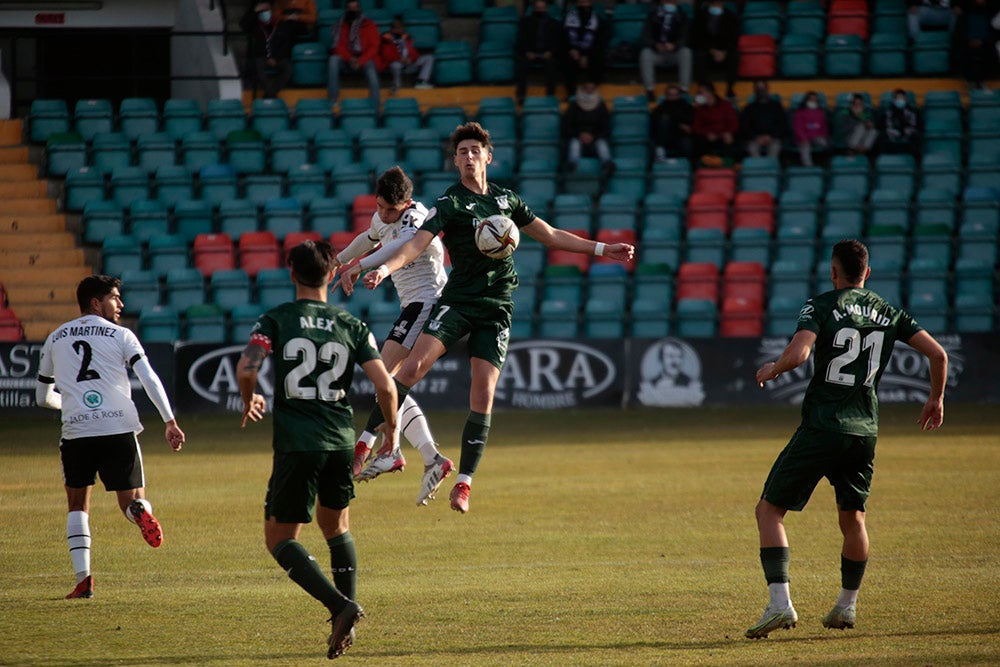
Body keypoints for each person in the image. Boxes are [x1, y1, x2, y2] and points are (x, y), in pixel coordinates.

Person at [342, 122, 635, 514]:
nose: (467, 157)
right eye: (461, 152)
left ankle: (463, 483)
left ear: (487, 157)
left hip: (497, 306)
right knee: (410, 368)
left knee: (483, 392)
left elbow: (548, 234)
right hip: (459, 300)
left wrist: (602, 249)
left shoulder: (506, 200)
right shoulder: (449, 203)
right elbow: (413, 244)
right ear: (456, 160)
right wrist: (380, 268)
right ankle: (365, 446)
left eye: (473, 151)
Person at [745, 239, 948, 639]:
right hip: (864, 431)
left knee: (769, 510)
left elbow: (800, 355)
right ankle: (846, 606)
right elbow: (938, 354)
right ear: (867, 274)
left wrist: (773, 368)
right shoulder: (888, 312)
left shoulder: (821, 305)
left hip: (823, 425)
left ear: (833, 272)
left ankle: (780, 604)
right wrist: (936, 398)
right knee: (853, 518)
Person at [236, 240, 397, 660]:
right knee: (337, 526)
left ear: (292, 274)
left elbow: (247, 365)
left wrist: (248, 396)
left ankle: (340, 607)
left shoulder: (277, 318)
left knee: (279, 538)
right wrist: (392, 436)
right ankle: (344, 624)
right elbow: (385, 386)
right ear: (331, 274)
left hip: (298, 443)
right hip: (342, 440)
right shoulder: (352, 324)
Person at [35, 275, 186, 600]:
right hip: (118, 428)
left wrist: (72, 403)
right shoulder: (121, 335)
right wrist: (169, 421)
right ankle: (140, 512)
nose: (121, 305)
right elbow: (148, 376)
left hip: (77, 431)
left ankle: (83, 581)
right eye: (115, 298)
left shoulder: (55, 338)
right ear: (95, 302)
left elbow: (42, 397)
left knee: (77, 505)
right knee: (130, 500)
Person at [334, 167, 454, 505]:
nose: (384, 216)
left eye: (391, 210)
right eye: (380, 207)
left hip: (428, 303)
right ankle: (430, 458)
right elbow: (370, 236)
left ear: (408, 203)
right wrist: (340, 260)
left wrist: (365, 268)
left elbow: (402, 244)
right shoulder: (382, 217)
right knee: (389, 383)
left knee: (383, 378)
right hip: (412, 306)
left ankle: (376, 447)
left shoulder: (417, 217)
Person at [327, 0, 381, 111]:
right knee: (333, 60)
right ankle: (333, 101)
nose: (352, 10)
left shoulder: (369, 24)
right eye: (350, 8)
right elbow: (337, 46)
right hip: (347, 59)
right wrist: (350, 58)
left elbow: (374, 47)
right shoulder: (340, 25)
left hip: (364, 58)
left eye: (355, 7)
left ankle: (375, 106)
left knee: (371, 69)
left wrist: (360, 60)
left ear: (359, 9)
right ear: (346, 9)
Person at [639, 0, 693, 102]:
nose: (669, 3)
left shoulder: (683, 17)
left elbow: (685, 37)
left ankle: (684, 89)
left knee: (686, 52)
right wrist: (655, 45)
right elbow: (645, 36)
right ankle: (650, 90)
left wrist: (675, 45)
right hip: (657, 53)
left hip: (674, 53)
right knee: (645, 53)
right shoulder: (652, 15)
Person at [241, 1, 295, 99]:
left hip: (277, 57)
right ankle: (271, 95)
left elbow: (285, 44)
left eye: (266, 10)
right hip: (261, 56)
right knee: (258, 66)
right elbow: (243, 25)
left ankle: (270, 93)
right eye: (262, 11)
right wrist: (255, 11)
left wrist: (276, 58)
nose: (264, 13)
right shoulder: (255, 25)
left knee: (288, 68)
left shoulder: (280, 24)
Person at [514, 0, 562, 103]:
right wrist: (527, 52)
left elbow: (557, 41)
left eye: (542, 8)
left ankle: (550, 95)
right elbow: (520, 40)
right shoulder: (525, 22)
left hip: (547, 54)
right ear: (534, 9)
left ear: (546, 9)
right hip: (529, 53)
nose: (540, 10)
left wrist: (550, 52)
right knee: (521, 66)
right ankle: (521, 96)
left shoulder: (554, 23)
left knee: (552, 65)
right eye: (538, 8)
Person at [562, 80, 614, 174]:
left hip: (595, 137)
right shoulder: (574, 106)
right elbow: (566, 126)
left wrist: (593, 136)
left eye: (592, 88)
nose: (589, 91)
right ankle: (572, 166)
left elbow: (606, 128)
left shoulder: (601, 106)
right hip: (578, 137)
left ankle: (607, 164)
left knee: (602, 145)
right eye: (587, 88)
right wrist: (579, 135)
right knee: (574, 145)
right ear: (582, 89)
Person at [691, 0, 740, 99]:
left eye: (719, 3)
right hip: (707, 51)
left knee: (735, 55)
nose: (717, 6)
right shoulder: (701, 15)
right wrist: (712, 51)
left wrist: (724, 52)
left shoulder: (731, 16)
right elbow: (697, 37)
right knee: (699, 55)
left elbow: (734, 38)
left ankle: (730, 89)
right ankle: (703, 88)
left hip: (725, 52)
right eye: (714, 3)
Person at [560, 0, 609, 97]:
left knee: (598, 57)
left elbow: (601, 41)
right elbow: (562, 38)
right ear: (577, 4)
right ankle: (571, 92)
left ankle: (592, 89)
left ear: (591, 3)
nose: (584, 5)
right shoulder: (568, 18)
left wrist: (586, 54)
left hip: (591, 52)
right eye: (582, 2)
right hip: (572, 52)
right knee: (567, 59)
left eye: (586, 2)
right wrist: (571, 49)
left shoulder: (598, 20)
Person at [377, 16, 434, 94]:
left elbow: (414, 52)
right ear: (392, 29)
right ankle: (396, 85)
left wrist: (411, 59)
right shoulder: (385, 38)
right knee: (395, 65)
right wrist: (400, 58)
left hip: (408, 64)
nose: (400, 30)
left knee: (429, 58)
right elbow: (386, 54)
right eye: (397, 28)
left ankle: (421, 81)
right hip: (393, 64)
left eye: (401, 28)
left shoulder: (406, 37)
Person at [691, 81, 739, 165]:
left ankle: (728, 168)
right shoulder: (699, 109)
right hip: (707, 138)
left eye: (700, 93)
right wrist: (707, 134)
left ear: (709, 92)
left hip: (723, 136)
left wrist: (728, 133)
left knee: (731, 141)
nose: (698, 95)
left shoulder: (725, 105)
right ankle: (701, 168)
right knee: (697, 142)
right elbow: (696, 127)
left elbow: (733, 123)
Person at [956, 0, 1000, 89]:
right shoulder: (964, 17)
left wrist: (982, 41)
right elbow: (959, 34)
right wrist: (969, 41)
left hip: (985, 43)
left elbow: (993, 33)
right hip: (967, 43)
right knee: (963, 53)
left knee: (989, 52)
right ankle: (970, 81)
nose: (980, 1)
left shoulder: (989, 17)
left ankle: (982, 81)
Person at [741, 79, 788, 159]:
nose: (761, 91)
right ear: (755, 90)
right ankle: (758, 168)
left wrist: (771, 136)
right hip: (755, 139)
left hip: (773, 138)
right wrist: (756, 137)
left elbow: (782, 124)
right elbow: (745, 126)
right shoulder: (749, 108)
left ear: (767, 89)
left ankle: (770, 168)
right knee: (752, 148)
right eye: (758, 89)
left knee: (775, 147)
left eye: (763, 88)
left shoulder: (777, 106)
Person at [650, 84, 694, 161]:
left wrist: (672, 120)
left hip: (681, 136)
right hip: (666, 136)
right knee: (663, 121)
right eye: (671, 95)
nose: (673, 97)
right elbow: (655, 120)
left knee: (687, 144)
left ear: (679, 95)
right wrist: (678, 124)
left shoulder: (686, 106)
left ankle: (690, 168)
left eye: (676, 95)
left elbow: (689, 119)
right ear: (666, 96)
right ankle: (660, 151)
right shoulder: (662, 107)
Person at [792, 91, 829, 166]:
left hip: (817, 137)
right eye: (811, 100)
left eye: (815, 100)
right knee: (805, 147)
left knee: (826, 144)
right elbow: (798, 128)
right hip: (803, 137)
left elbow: (824, 128)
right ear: (806, 101)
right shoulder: (800, 113)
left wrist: (824, 137)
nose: (813, 101)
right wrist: (803, 138)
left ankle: (827, 165)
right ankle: (808, 167)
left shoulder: (821, 112)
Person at [880, 89, 920, 156]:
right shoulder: (889, 112)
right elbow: (888, 126)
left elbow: (913, 125)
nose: (900, 100)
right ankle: (884, 160)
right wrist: (896, 133)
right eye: (898, 98)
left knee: (916, 136)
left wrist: (904, 132)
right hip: (892, 134)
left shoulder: (911, 111)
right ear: (894, 100)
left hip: (908, 134)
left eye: (901, 98)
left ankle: (916, 162)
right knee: (882, 136)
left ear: (905, 99)